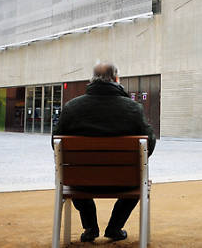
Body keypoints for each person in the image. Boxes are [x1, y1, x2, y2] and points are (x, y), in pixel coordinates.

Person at [52, 62, 155, 243]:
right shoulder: (133, 108)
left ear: (91, 80)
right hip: (125, 182)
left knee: (76, 177)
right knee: (140, 178)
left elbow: (55, 143)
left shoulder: (71, 108)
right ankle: (115, 227)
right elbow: (150, 144)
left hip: (80, 182)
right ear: (116, 79)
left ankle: (90, 227)